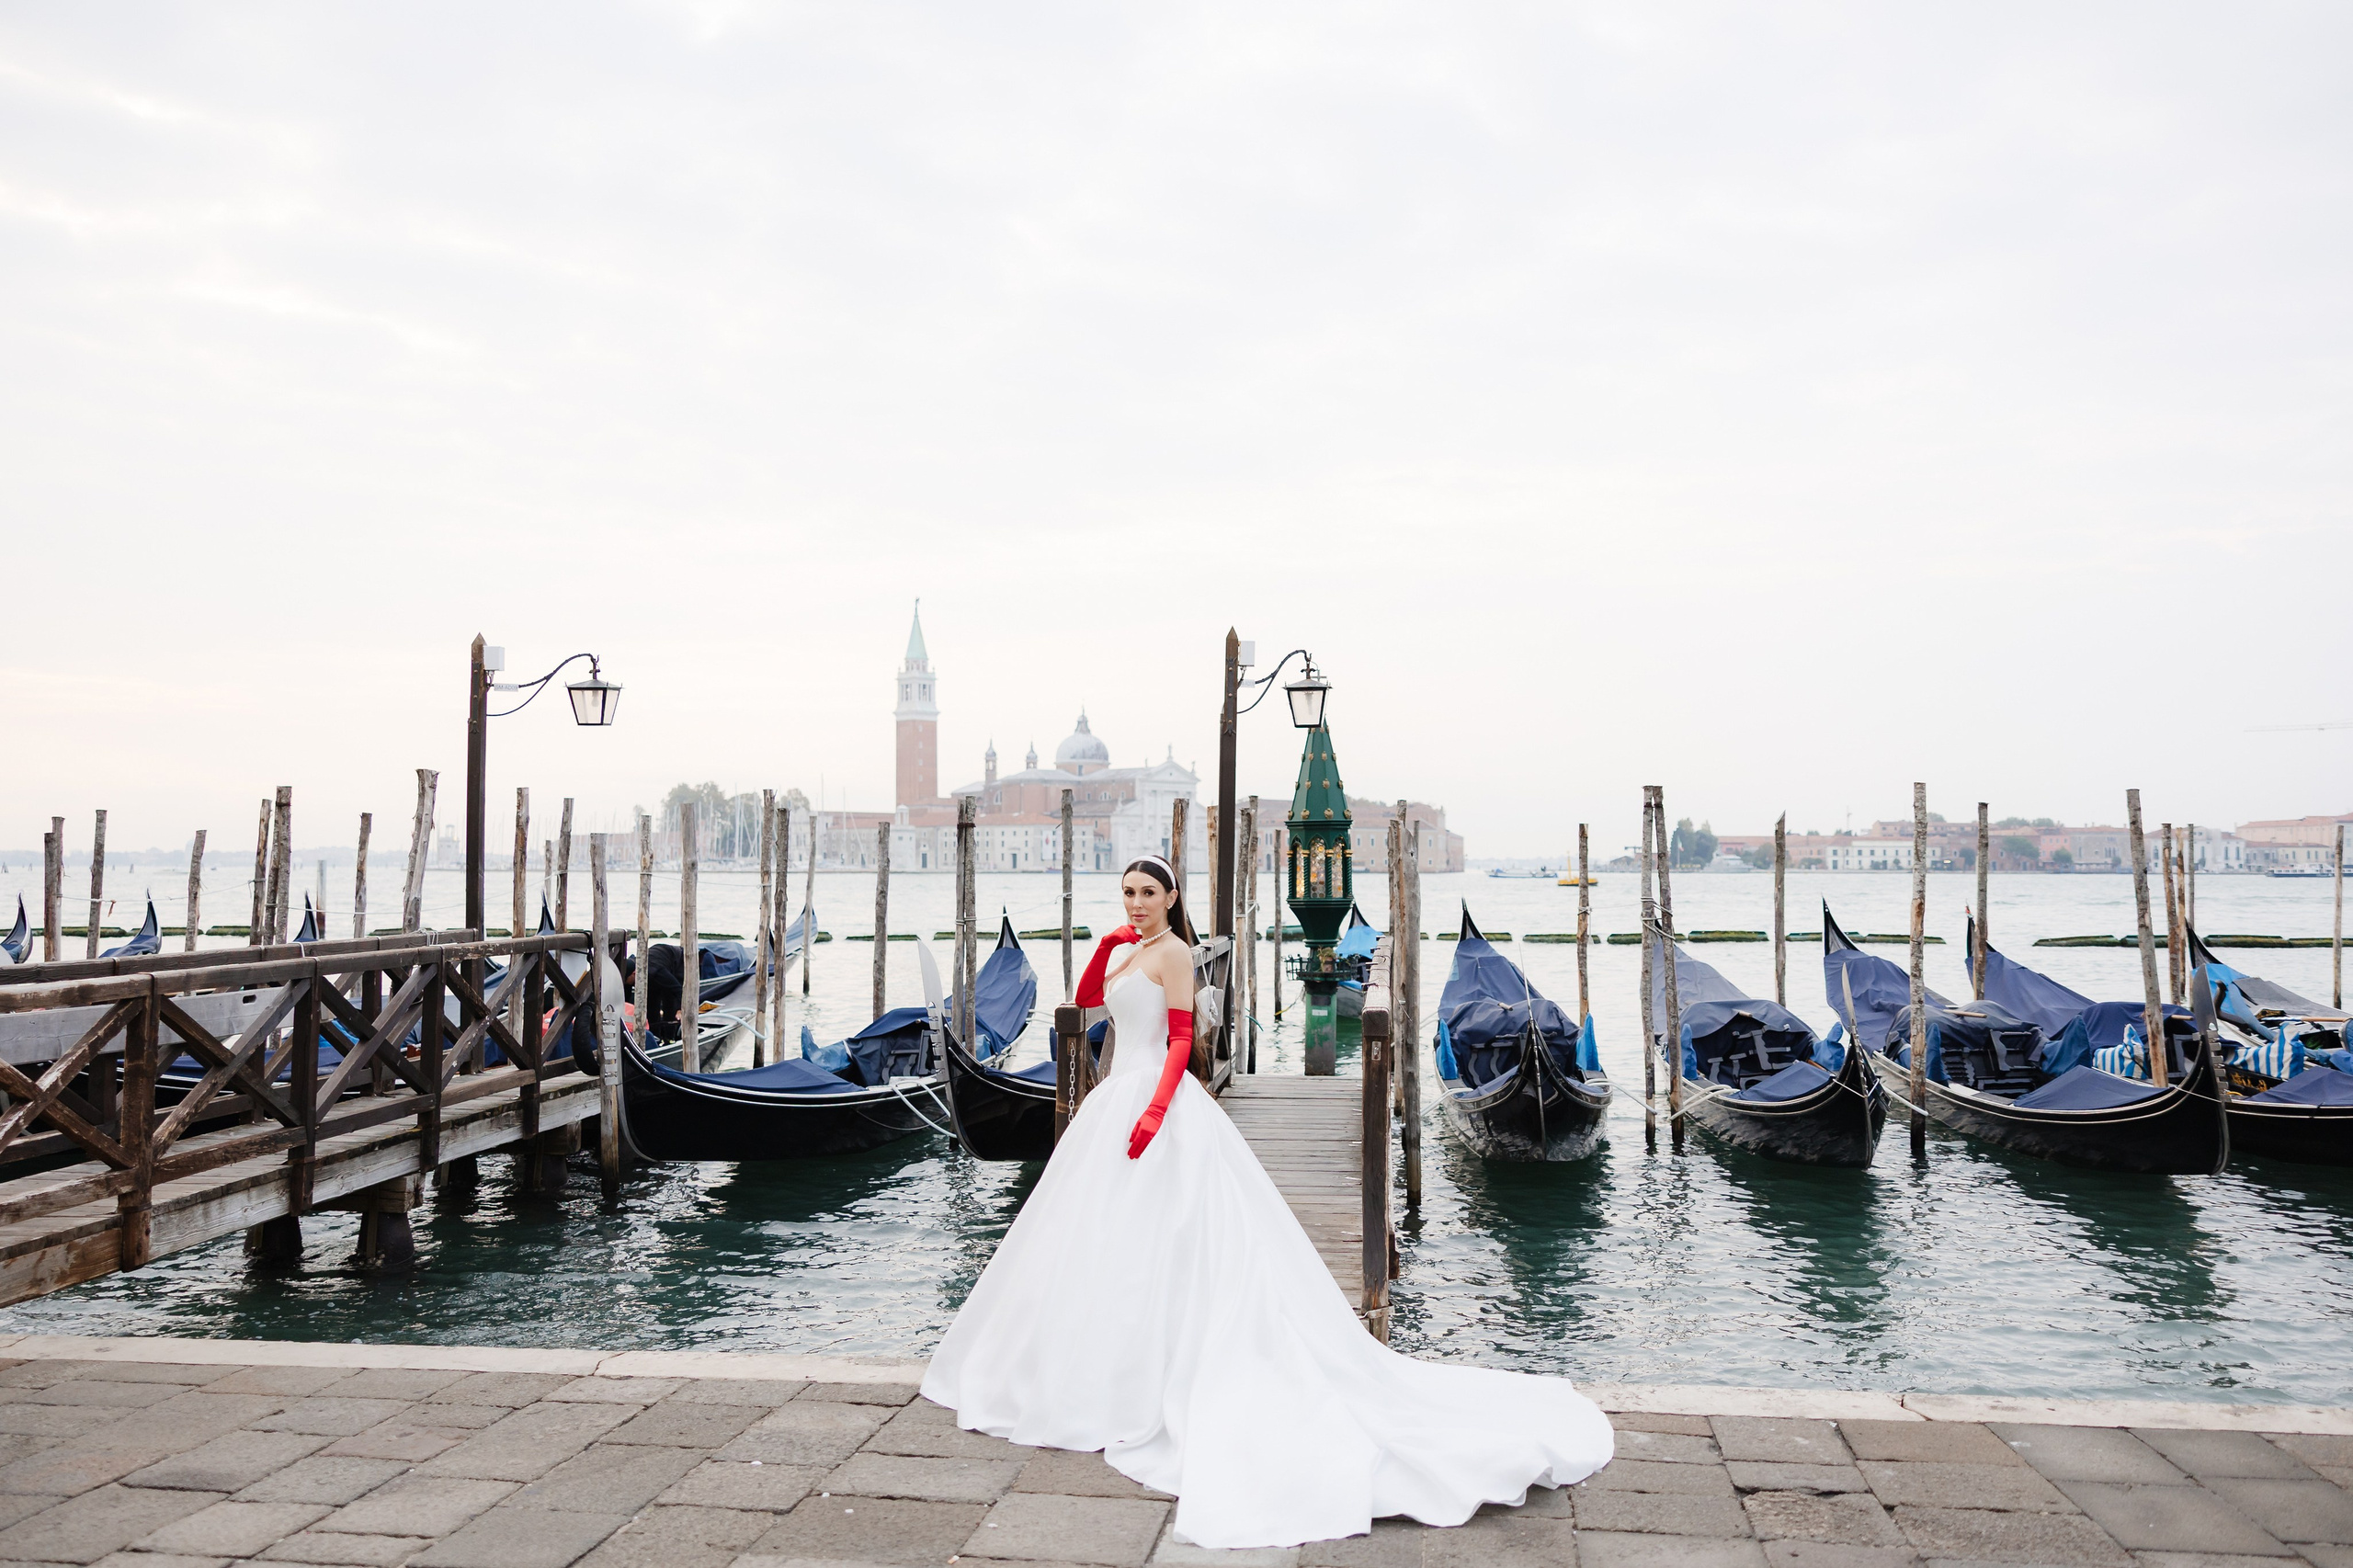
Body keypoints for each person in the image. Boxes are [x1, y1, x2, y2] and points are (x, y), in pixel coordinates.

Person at [923, 856, 1613, 1549]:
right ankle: (1099, 1368)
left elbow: (1183, 1042)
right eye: (1128, 893)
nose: (1136, 903)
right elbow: (1084, 1005)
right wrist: (1106, 947)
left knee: (1171, 1230)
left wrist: (1157, 1109)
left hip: (1155, 1100)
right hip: (1115, 1100)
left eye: (1148, 893)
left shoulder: (1175, 955)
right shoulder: (1128, 949)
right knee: (1104, 1237)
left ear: (1171, 897)